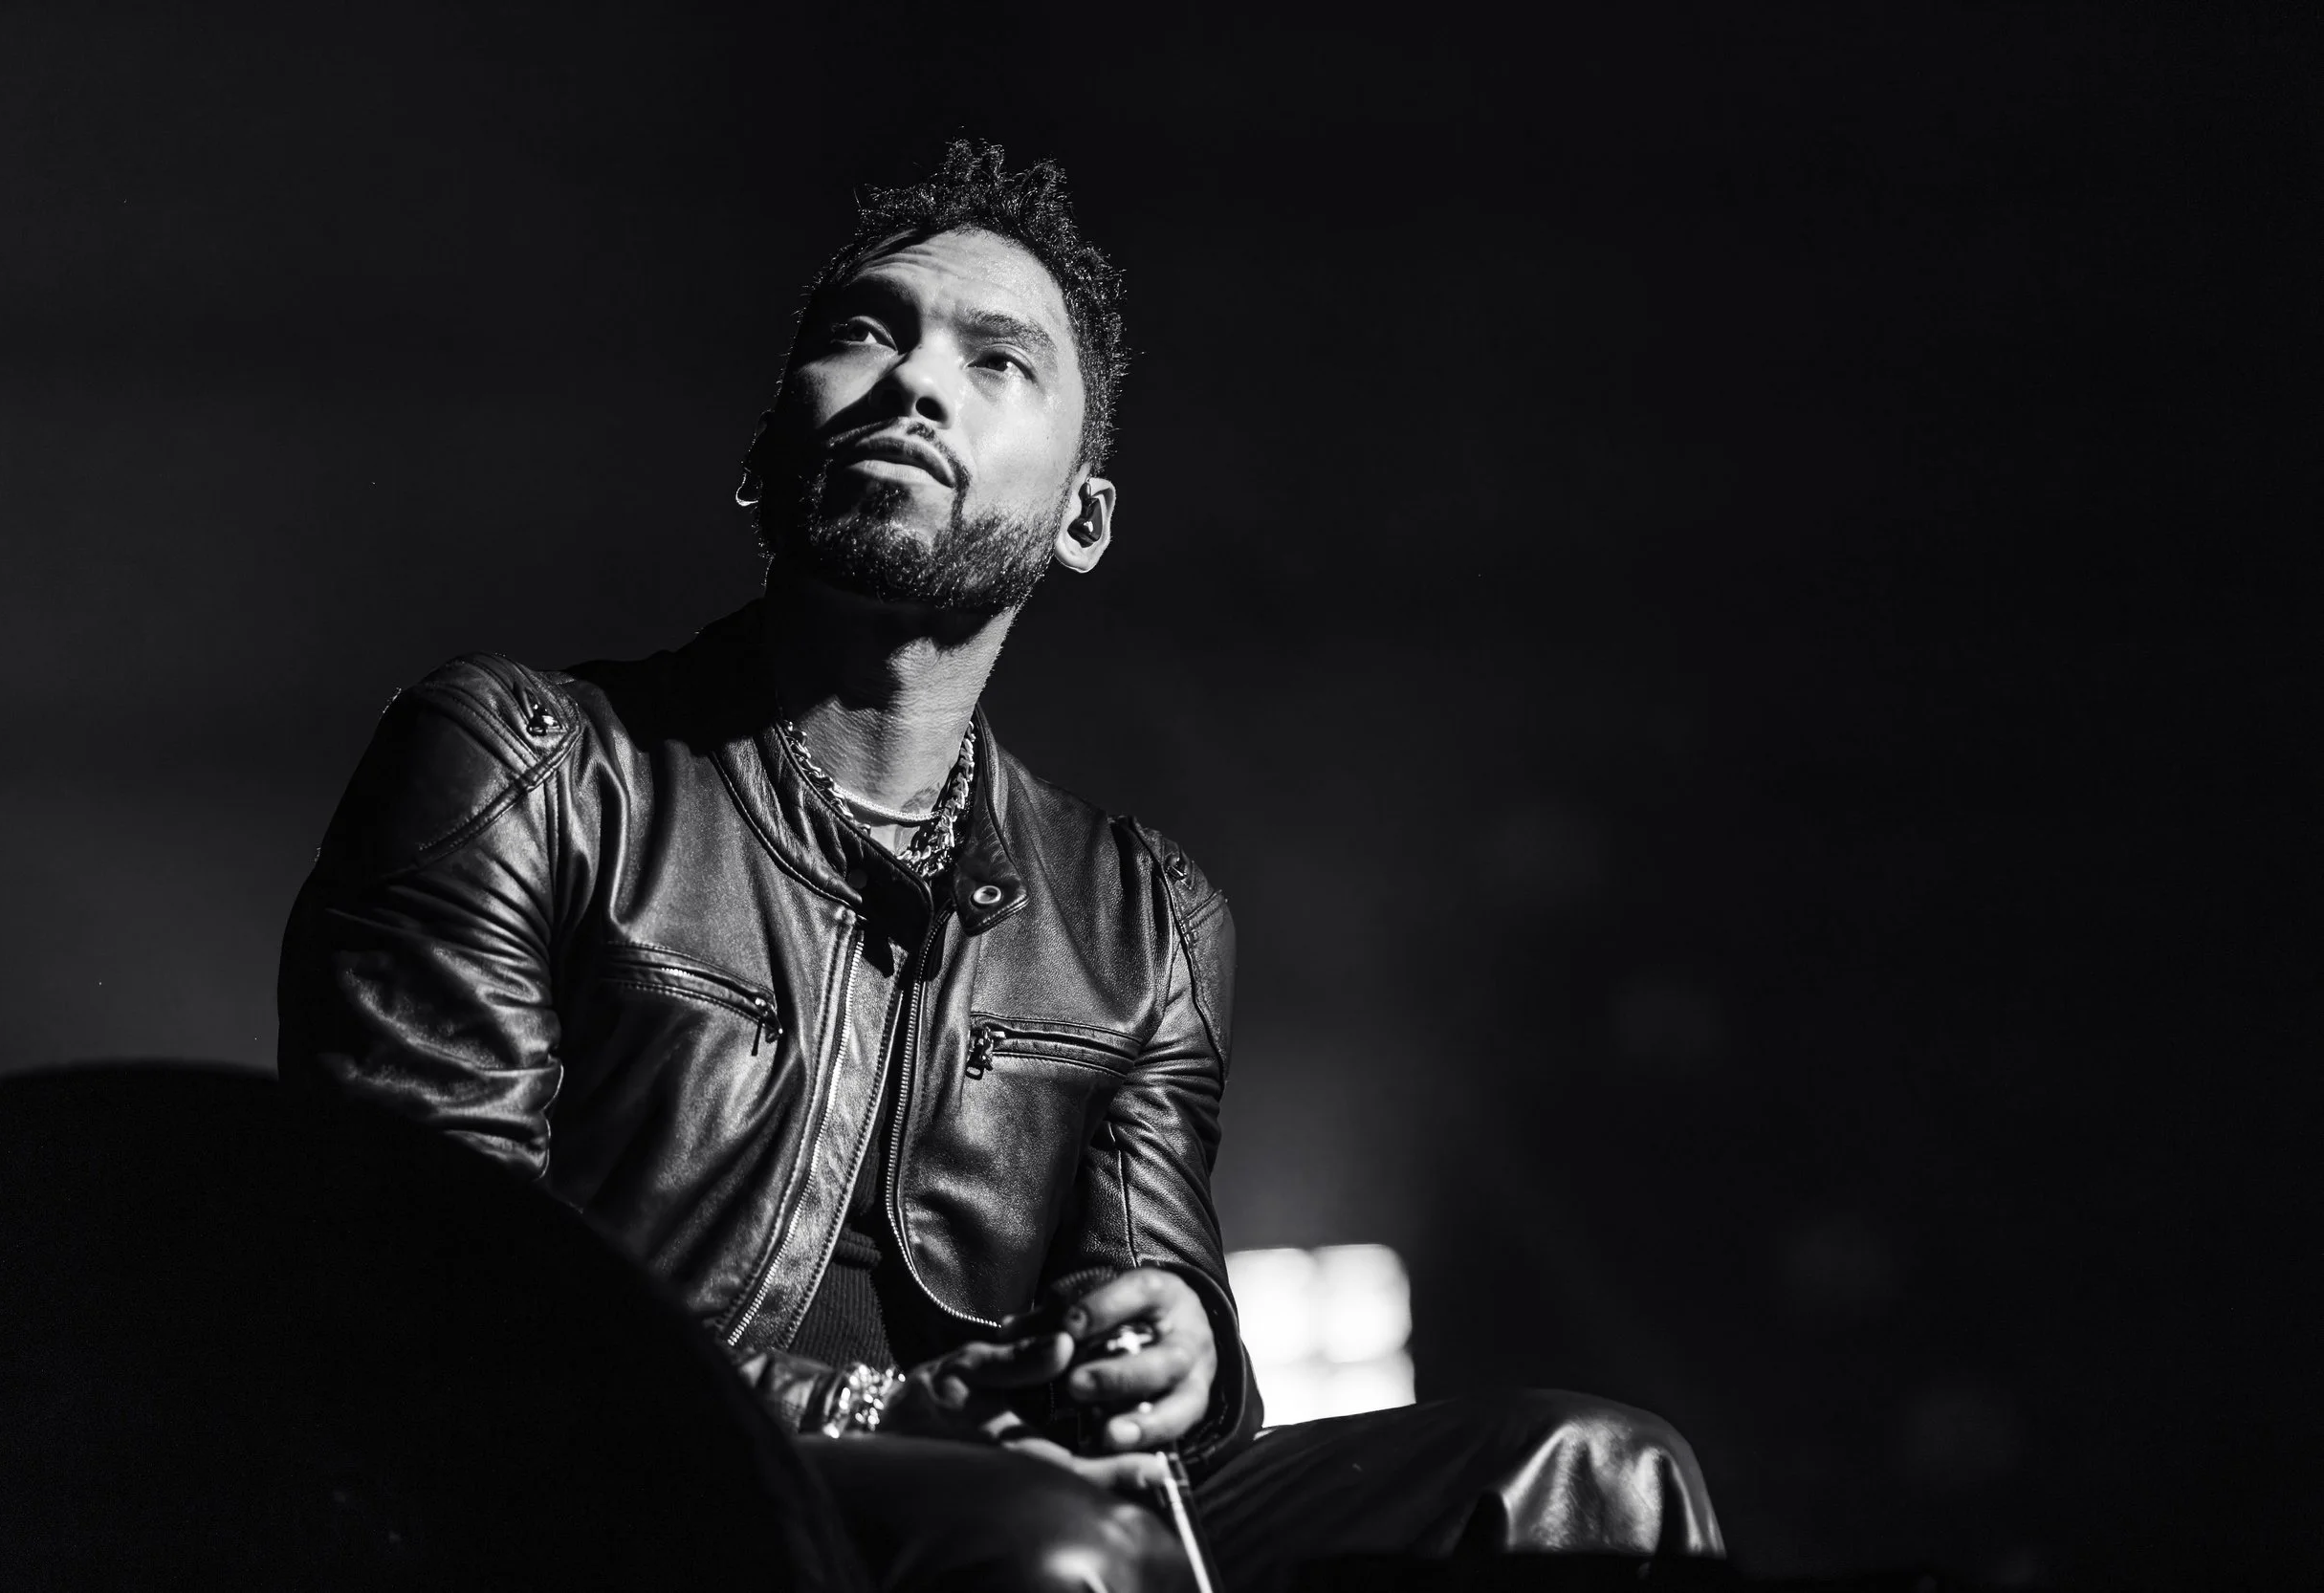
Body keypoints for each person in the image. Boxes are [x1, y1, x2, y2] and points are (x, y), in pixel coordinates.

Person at [278, 139, 1724, 1592]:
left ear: (1081, 519)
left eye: (996, 361)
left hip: (1022, 1507)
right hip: (628, 1502)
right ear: (765, 454)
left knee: (1597, 1478)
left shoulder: (1140, 920)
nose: (915, 379)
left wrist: (1181, 1352)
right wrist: (871, 1414)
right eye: (866, 334)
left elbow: (1157, 1343)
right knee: (1045, 1549)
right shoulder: (527, 763)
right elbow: (437, 1292)